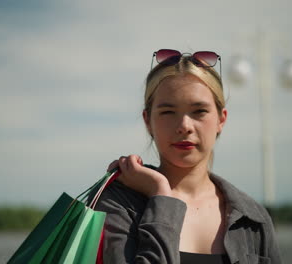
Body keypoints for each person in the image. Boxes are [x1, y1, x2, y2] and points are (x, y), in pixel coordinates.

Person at [95, 49, 281, 264]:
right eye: (168, 112)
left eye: (199, 111)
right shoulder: (118, 204)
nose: (184, 126)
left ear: (221, 119)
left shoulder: (252, 218)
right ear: (148, 121)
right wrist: (160, 196)